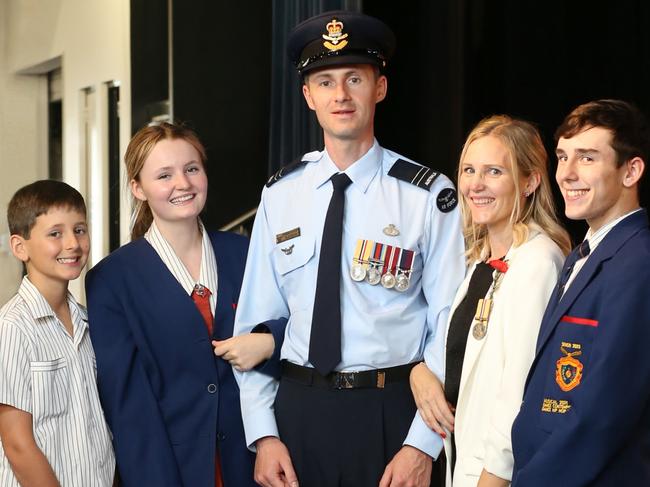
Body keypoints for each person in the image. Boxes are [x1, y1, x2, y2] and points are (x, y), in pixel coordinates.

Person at [233, 10, 465, 487]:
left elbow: (448, 326)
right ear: (307, 96)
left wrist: (423, 442)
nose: (340, 95)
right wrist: (263, 434)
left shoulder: (426, 195)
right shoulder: (280, 195)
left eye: (354, 78)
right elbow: (254, 324)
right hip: (298, 412)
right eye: (325, 82)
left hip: (392, 412)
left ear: (379, 88)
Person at [85, 122, 281, 487]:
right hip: (173, 470)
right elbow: (130, 409)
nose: (183, 184)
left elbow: (299, 326)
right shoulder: (112, 281)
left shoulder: (247, 254)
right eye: (164, 175)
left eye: (192, 169)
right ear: (138, 188)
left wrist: (272, 341)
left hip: (258, 465)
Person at [409, 115, 570, 487]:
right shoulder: (478, 261)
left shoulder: (537, 261)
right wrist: (419, 371)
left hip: (496, 476)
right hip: (462, 465)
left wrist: (492, 480)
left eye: (494, 171)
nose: (475, 185)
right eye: (469, 170)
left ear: (529, 181)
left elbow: (518, 393)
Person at [511, 99, 650, 486]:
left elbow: (605, 412)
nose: (566, 174)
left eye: (587, 158)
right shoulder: (583, 253)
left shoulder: (638, 262)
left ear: (631, 171)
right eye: (562, 157)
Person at [0, 180, 115, 486]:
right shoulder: (13, 327)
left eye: (79, 229)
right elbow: (17, 444)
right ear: (19, 247)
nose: (72, 244)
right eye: (55, 233)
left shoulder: (90, 323)